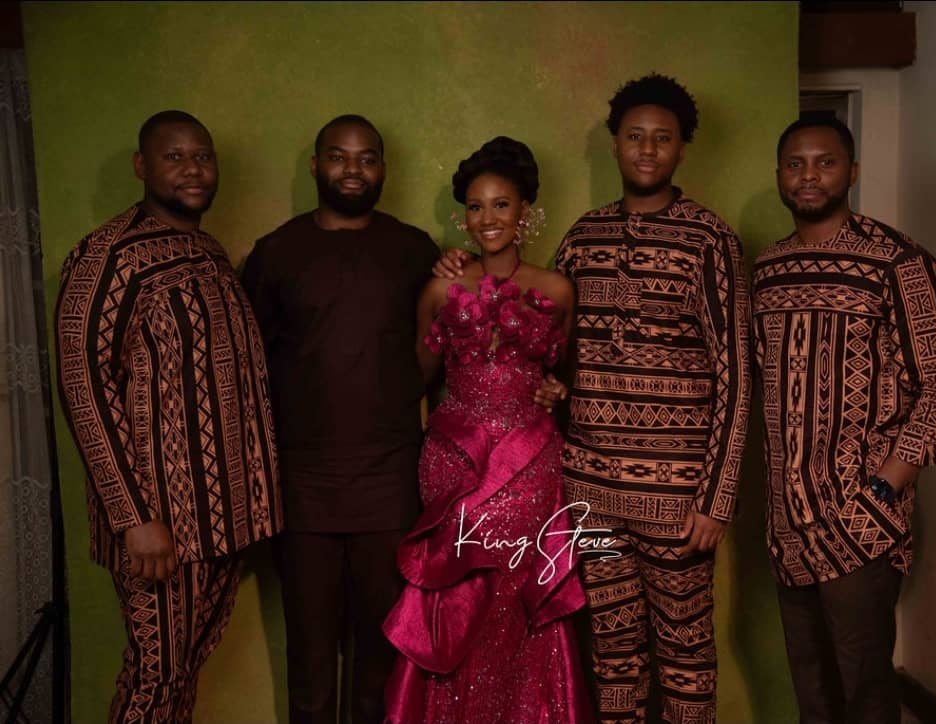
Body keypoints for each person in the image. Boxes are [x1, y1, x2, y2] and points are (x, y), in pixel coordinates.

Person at [437, 73, 753, 724]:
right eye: (635, 136)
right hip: (592, 498)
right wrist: (554, 385)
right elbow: (551, 342)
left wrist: (716, 497)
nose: (647, 149)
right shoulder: (584, 238)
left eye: (661, 138)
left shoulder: (708, 241)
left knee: (685, 653)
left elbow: (736, 374)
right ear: (615, 144)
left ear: (681, 148)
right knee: (612, 651)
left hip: (675, 502)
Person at [55, 110, 283, 723]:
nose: (193, 170)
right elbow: (84, 386)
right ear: (142, 166)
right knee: (154, 680)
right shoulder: (107, 256)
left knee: (181, 676)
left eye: (202, 157)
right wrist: (133, 517)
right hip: (160, 524)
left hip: (225, 519)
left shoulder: (206, 249)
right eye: (174, 157)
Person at [753, 115, 936, 724]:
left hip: (861, 519)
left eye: (824, 162)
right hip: (786, 524)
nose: (809, 176)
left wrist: (884, 488)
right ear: (779, 175)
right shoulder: (769, 270)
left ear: (851, 172)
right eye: (795, 164)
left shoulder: (899, 263)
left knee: (866, 690)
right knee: (813, 690)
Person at [382, 137, 592, 723]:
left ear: (526, 210)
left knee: (517, 593)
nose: (488, 218)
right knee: (456, 590)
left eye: (501, 204)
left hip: (530, 465)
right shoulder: (438, 289)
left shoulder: (557, 289)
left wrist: (558, 391)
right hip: (455, 464)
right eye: (475, 207)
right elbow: (420, 380)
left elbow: (567, 378)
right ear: (464, 217)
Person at [239, 114, 440, 724]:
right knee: (310, 663)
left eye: (367, 158)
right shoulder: (276, 253)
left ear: (383, 168)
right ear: (315, 165)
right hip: (303, 487)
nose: (353, 169)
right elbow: (248, 371)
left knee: (380, 662)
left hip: (388, 482)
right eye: (338, 156)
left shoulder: (415, 251)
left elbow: (446, 352)